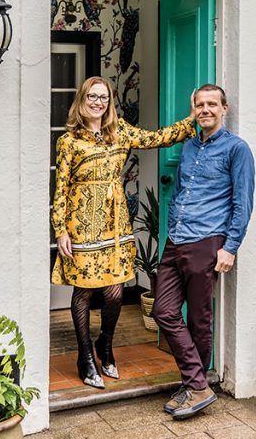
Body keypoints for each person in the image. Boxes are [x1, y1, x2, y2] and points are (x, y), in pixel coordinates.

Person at [52, 77, 196, 389]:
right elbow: (60, 188)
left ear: (109, 101)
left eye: (103, 97)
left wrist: (193, 120)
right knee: (83, 290)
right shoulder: (68, 142)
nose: (98, 102)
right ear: (82, 100)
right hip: (80, 224)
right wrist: (60, 230)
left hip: (115, 224)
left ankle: (104, 343)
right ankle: (84, 356)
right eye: (92, 96)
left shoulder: (121, 131)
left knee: (115, 290)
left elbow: (159, 138)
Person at [154, 84, 254, 419]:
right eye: (199, 104)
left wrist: (231, 247)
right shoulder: (188, 148)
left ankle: (194, 385)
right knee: (164, 311)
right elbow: (181, 191)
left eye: (212, 104)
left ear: (224, 108)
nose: (205, 109)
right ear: (193, 109)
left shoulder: (237, 150)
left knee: (199, 319)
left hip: (207, 241)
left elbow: (243, 203)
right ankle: (197, 383)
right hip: (176, 238)